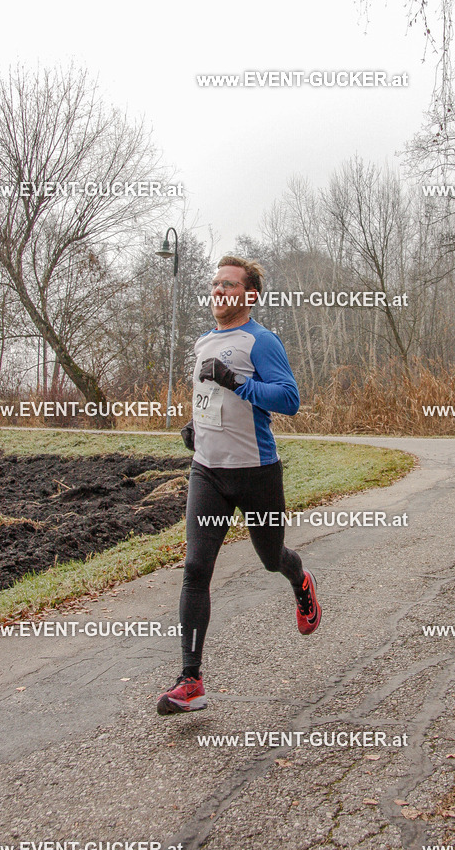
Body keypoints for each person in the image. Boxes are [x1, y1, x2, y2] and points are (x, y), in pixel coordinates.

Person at [157, 255, 321, 715]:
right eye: (214, 285)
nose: (218, 292)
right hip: (207, 471)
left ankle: (299, 578)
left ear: (248, 295)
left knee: (272, 558)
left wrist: (238, 384)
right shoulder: (203, 342)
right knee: (195, 568)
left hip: (256, 472)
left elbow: (289, 399)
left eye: (228, 285)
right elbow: (210, 395)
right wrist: (195, 424)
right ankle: (191, 681)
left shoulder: (261, 341)